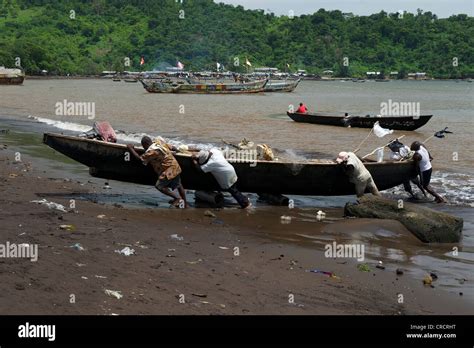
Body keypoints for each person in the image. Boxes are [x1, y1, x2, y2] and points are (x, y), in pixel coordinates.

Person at [127, 136, 188, 208]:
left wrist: (131, 149)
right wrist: (177, 150)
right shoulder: (159, 142)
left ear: (146, 144)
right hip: (175, 166)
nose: (144, 148)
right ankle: (185, 204)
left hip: (168, 170)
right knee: (179, 185)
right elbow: (172, 147)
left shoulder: (151, 152)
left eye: (144, 146)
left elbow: (140, 159)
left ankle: (177, 198)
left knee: (159, 186)